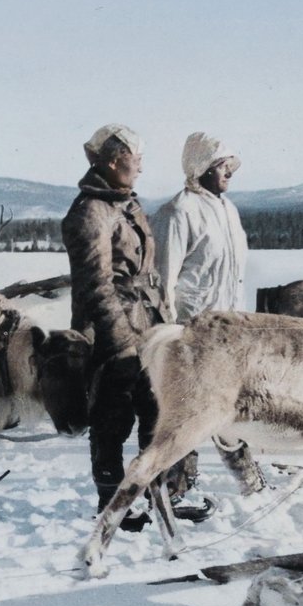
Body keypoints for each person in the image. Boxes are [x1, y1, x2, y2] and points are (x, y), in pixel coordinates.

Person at [62, 124, 170, 527]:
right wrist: (122, 344)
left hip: (147, 323)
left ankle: (155, 498)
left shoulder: (125, 204)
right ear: (112, 161)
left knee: (155, 412)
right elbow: (96, 288)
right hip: (111, 329)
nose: (141, 166)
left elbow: (146, 271)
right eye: (135, 158)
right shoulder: (89, 213)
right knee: (112, 418)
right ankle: (112, 505)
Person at [152, 132, 263, 497]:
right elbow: (164, 279)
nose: (229, 170)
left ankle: (248, 478)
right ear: (200, 166)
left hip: (230, 328)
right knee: (190, 409)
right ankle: (177, 486)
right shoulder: (178, 211)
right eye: (221, 164)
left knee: (227, 404)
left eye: (231, 163)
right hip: (193, 329)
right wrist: (171, 331)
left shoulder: (228, 210)